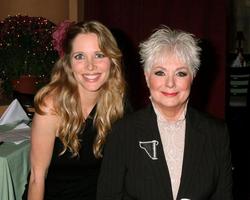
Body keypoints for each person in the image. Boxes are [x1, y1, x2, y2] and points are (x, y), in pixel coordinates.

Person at [97, 26, 233, 200]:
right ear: (147, 77)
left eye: (181, 73)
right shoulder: (123, 132)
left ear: (193, 77)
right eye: (160, 73)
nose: (170, 83)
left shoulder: (217, 133)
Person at [23, 20, 129, 200]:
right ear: (69, 63)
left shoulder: (117, 103)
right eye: (80, 56)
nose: (90, 66)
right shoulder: (52, 106)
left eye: (99, 55)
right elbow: (36, 178)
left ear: (112, 60)